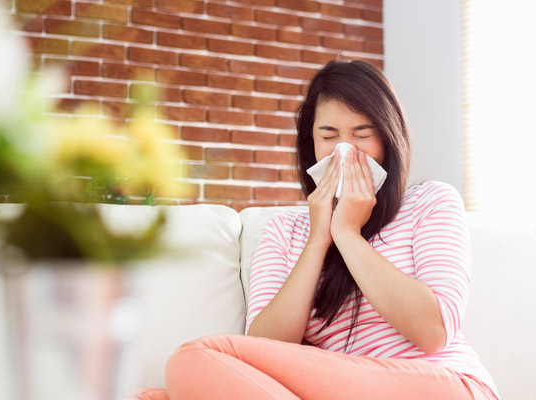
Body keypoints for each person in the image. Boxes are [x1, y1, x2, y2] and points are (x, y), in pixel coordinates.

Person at [137, 59, 499, 400]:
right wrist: (318, 239)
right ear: (310, 147)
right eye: (329, 136)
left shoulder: (429, 202)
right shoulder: (283, 232)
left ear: (388, 140)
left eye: (362, 133)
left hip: (445, 386)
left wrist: (348, 235)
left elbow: (433, 332)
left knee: (195, 357)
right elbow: (265, 348)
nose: (345, 150)